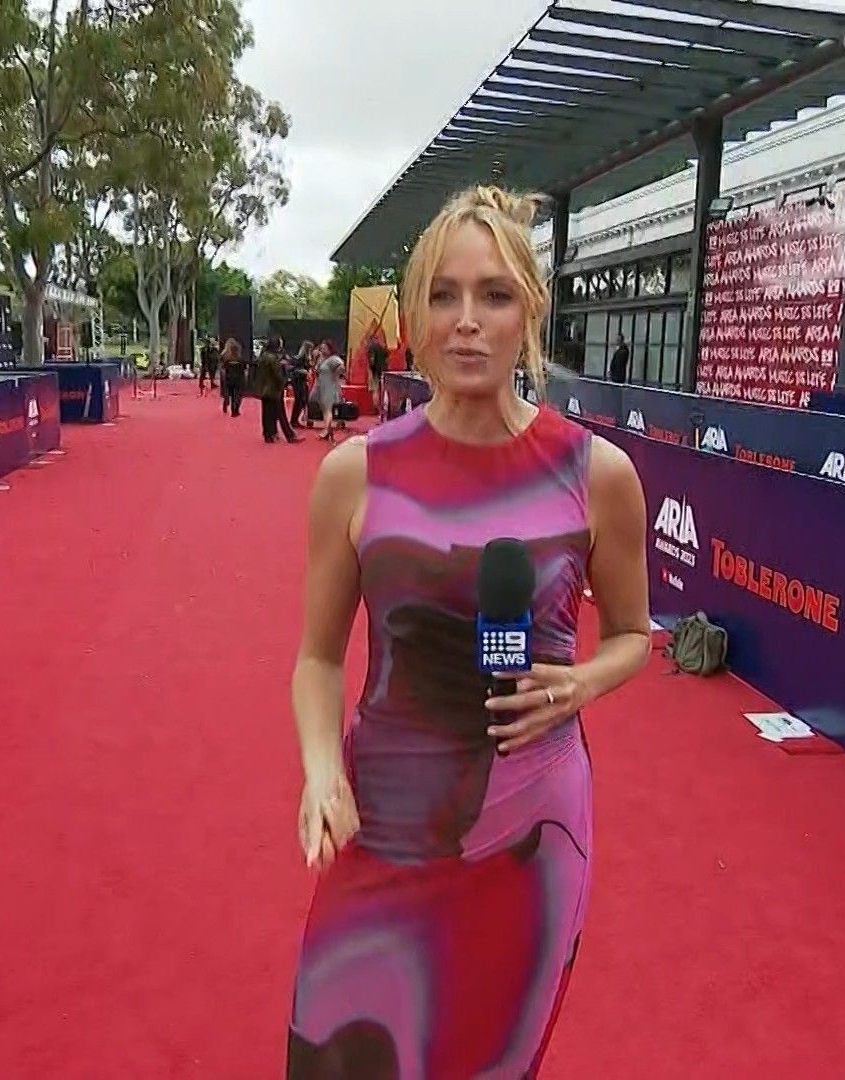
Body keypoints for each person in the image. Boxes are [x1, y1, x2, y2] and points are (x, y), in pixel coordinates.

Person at [285, 186, 651, 1075]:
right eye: (443, 295)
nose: (468, 321)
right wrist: (321, 770)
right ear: (415, 315)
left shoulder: (598, 474)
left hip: (528, 828)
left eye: (494, 295)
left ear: (531, 310)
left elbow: (635, 635)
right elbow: (317, 658)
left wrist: (581, 683)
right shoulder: (355, 474)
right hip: (384, 814)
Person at [254, 337, 300, 444]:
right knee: (281, 413)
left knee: (267, 413)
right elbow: (277, 374)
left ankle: (269, 434)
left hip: (264, 388)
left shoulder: (263, 356)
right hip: (274, 389)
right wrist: (285, 382)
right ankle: (289, 436)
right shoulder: (273, 358)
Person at [312, 339, 347, 442]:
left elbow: (342, 367)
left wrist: (335, 375)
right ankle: (327, 429)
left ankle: (326, 430)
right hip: (321, 385)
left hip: (329, 386)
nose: (322, 350)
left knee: (328, 409)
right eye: (321, 348)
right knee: (324, 409)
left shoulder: (334, 359)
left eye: (324, 348)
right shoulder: (321, 359)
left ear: (330, 349)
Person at [288, 342, 314, 430]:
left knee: (303, 400)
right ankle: (294, 420)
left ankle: (295, 420)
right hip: (298, 381)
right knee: (299, 400)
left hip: (302, 380)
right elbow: (292, 370)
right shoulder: (298, 358)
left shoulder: (307, 358)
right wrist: (303, 371)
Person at [220, 337, 247, 416]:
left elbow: (223, 368)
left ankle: (229, 405)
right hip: (238, 379)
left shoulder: (227, 359)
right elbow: (244, 369)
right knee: (238, 395)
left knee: (231, 394)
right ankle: (235, 409)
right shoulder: (240, 359)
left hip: (229, 378)